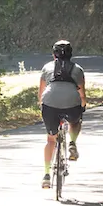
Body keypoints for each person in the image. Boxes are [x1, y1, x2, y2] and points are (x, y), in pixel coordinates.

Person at [38, 39, 86, 189]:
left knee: (51, 140)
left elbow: (41, 93)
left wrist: (42, 106)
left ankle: (46, 176)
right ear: (71, 55)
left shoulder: (47, 68)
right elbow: (82, 95)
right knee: (75, 121)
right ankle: (72, 142)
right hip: (71, 102)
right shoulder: (78, 69)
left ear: (54, 55)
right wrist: (82, 106)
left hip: (50, 103)